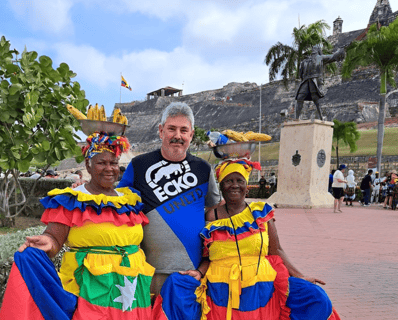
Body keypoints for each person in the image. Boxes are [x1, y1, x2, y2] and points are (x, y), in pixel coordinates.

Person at [156, 159, 341, 319]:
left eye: (239, 180)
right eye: (228, 181)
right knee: (176, 285)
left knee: (316, 297)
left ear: (246, 185)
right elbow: (207, 256)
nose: (234, 185)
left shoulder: (261, 212)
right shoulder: (211, 216)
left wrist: (300, 276)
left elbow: (276, 250)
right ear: (221, 186)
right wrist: (199, 273)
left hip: (260, 287)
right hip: (221, 289)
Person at [0, 132, 155, 319]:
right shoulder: (72, 199)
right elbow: (54, 237)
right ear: (88, 164)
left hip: (131, 289)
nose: (109, 168)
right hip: (91, 291)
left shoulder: (130, 201)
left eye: (113, 163)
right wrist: (47, 241)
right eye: (101, 162)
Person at [117, 102, 221, 305]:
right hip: (149, 271)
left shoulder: (203, 168)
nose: (177, 135)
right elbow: (116, 201)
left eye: (184, 130)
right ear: (161, 131)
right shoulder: (139, 165)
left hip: (192, 273)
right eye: (172, 128)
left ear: (191, 135)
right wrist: (84, 188)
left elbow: (217, 211)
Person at [295, 45, 344, 120]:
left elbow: (332, 57)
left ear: (318, 50)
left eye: (316, 48)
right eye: (313, 48)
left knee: (315, 99)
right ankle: (296, 118)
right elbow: (300, 74)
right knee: (299, 98)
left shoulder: (320, 58)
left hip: (314, 80)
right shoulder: (304, 61)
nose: (314, 50)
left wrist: (339, 51)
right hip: (306, 81)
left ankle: (321, 117)